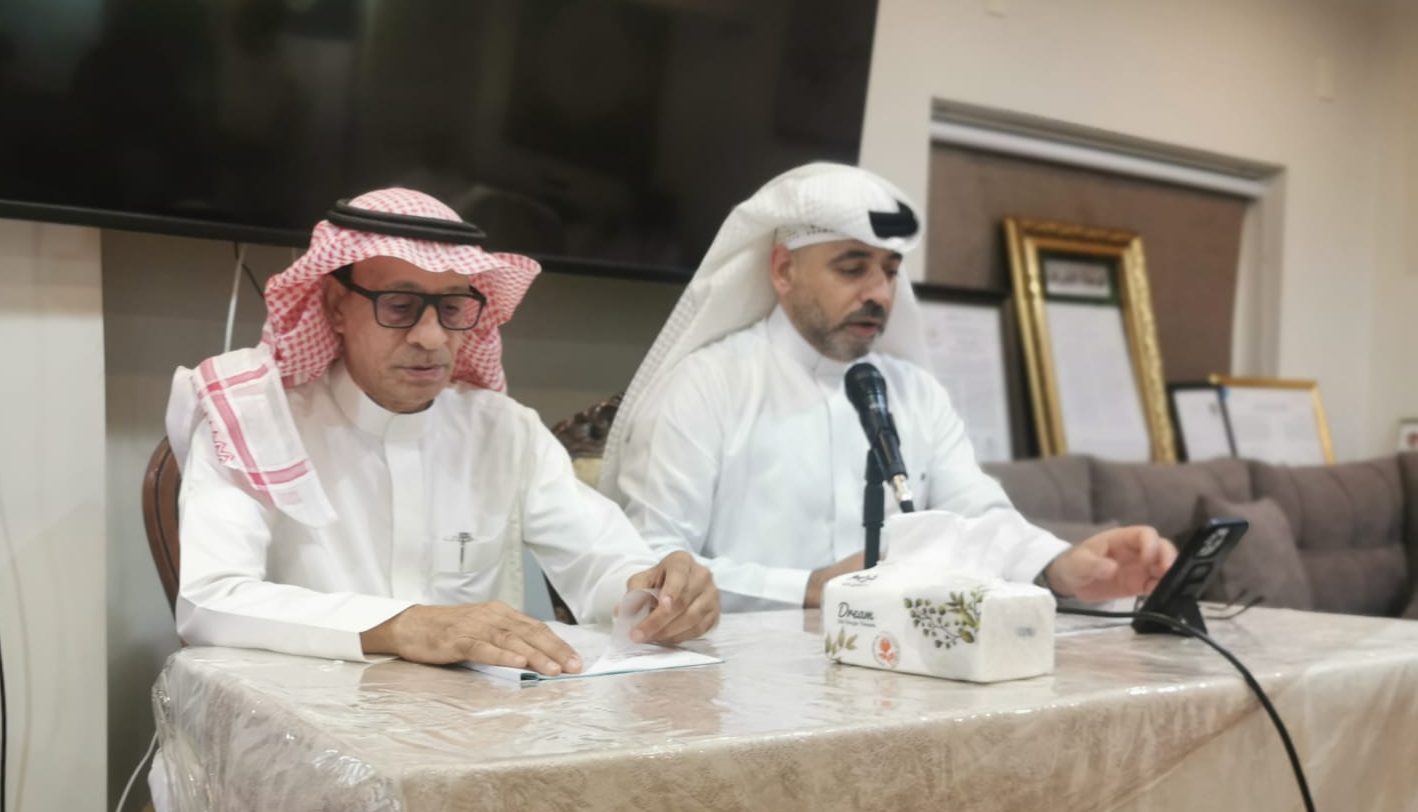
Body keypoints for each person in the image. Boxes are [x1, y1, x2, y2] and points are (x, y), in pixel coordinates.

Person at [166, 188, 719, 677]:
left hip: (478, 730)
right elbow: (211, 601)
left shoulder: (504, 430)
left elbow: (600, 562)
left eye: (452, 307)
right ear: (335, 306)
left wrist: (658, 593)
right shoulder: (252, 418)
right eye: (400, 306)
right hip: (307, 722)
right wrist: (401, 626)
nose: (431, 338)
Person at [600, 163, 1175, 613]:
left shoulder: (913, 393)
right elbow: (650, 561)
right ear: (783, 270)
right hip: (736, 681)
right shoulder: (704, 386)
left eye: (891, 271)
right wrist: (807, 588)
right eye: (853, 268)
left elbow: (977, 516)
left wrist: (1061, 566)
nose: (879, 293)